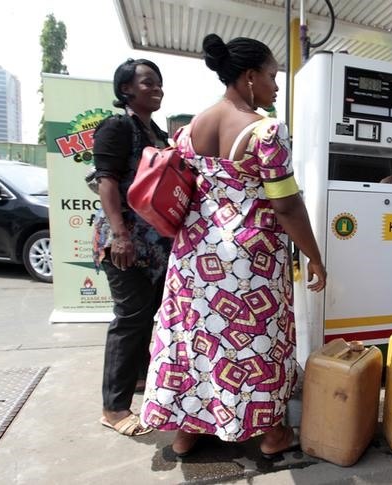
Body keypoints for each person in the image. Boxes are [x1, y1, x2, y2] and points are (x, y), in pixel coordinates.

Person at [140, 34, 326, 458]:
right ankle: (272, 435)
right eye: (273, 77)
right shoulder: (265, 131)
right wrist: (315, 256)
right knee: (258, 341)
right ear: (249, 77)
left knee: (193, 339)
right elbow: (286, 204)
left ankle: (187, 433)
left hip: (193, 259)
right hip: (249, 262)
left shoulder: (188, 130)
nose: (276, 87)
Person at [92, 59, 172, 436]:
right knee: (129, 320)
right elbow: (106, 181)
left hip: (155, 246)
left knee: (147, 317)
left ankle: (140, 381)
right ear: (126, 90)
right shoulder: (117, 127)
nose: (156, 88)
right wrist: (119, 234)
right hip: (123, 241)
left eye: (158, 83)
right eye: (147, 83)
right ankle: (113, 408)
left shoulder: (156, 132)